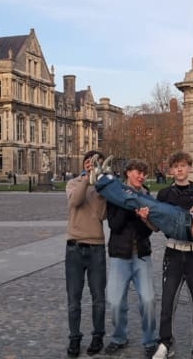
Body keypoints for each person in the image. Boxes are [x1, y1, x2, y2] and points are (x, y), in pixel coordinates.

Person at [153, 151, 193, 359]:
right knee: (167, 302)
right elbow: (157, 226)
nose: (179, 169)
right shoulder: (164, 195)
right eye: (176, 166)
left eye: (183, 165)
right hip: (173, 253)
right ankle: (165, 343)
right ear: (171, 170)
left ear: (189, 168)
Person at [103, 159, 157, 359]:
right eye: (137, 172)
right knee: (116, 302)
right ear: (127, 173)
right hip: (120, 255)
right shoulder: (114, 194)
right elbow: (115, 225)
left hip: (142, 255)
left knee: (148, 301)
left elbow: (148, 232)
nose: (141, 176)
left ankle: (149, 340)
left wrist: (143, 218)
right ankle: (119, 337)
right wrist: (129, 204)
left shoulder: (147, 196)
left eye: (143, 173)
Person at [65, 150, 108, 358]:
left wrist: (99, 186)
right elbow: (75, 202)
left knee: (98, 297)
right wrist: (86, 180)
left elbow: (102, 215)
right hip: (74, 247)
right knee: (74, 298)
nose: (94, 165)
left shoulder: (103, 187)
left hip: (96, 247)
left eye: (98, 163)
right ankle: (74, 337)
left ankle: (98, 336)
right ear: (84, 164)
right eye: (91, 162)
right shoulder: (73, 183)